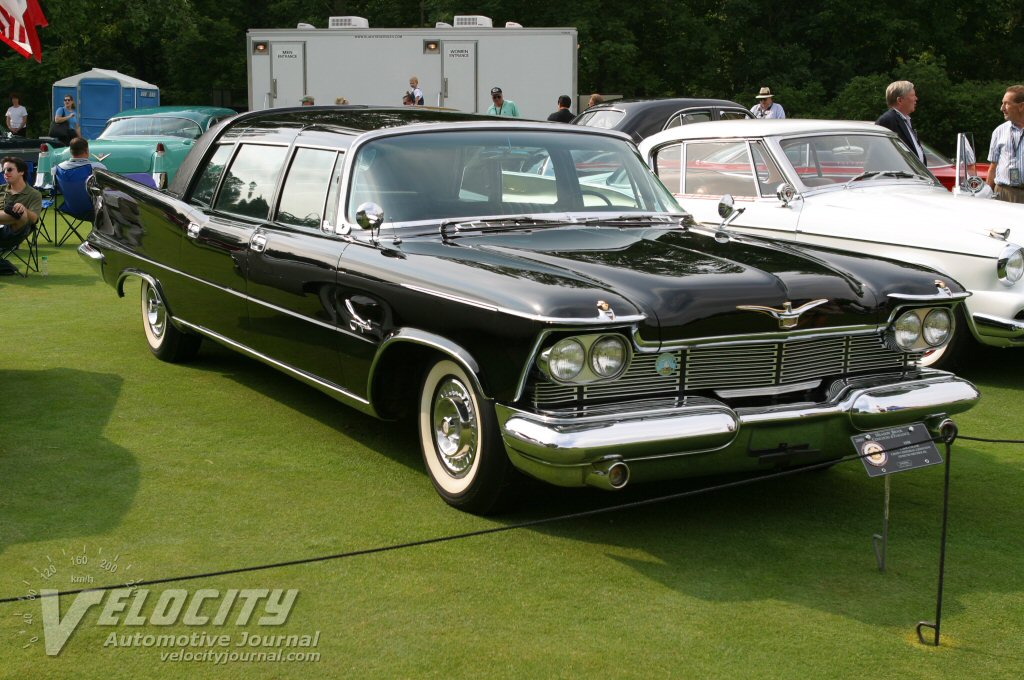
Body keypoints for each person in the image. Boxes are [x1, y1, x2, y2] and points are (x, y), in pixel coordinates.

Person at [0, 156, 42, 275]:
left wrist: (24, 209)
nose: (5, 173)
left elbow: (34, 219)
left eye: (9, 169)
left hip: (13, 233)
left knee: (20, 214)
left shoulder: (34, 194)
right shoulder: (1, 189)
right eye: (4, 171)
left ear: (21, 172)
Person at [986, 85, 1024, 204]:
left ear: (1021, 106)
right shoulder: (999, 131)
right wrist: (987, 195)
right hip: (1003, 193)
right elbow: (993, 166)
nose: (1002, 108)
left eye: (1006, 104)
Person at [875, 81, 925, 163]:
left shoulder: (905, 120)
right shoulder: (887, 121)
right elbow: (877, 156)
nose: (916, 98)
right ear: (900, 100)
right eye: (912, 95)